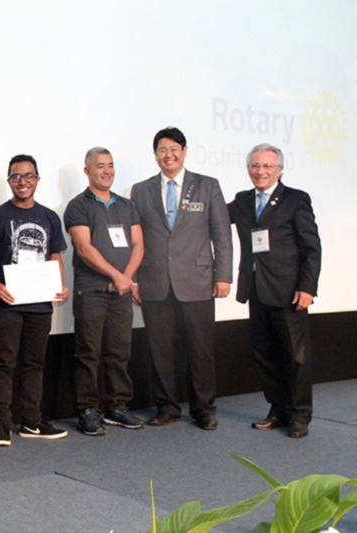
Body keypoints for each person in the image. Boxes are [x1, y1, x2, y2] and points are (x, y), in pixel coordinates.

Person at [130, 127, 232, 430]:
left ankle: (204, 409)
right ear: (155, 155)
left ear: (185, 151)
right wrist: (133, 279)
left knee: (200, 349)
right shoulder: (141, 190)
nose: (169, 155)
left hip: (198, 281)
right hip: (155, 282)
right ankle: (167, 407)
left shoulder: (208, 186)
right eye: (162, 150)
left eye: (174, 149)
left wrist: (223, 276)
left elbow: (222, 234)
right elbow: (135, 239)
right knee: (160, 350)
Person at [228, 144, 321, 439]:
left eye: (267, 166)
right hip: (256, 289)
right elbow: (212, 217)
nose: (261, 171)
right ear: (248, 169)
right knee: (265, 354)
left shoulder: (296, 199)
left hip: (288, 291)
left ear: (280, 169)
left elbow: (311, 248)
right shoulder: (242, 201)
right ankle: (278, 409)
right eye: (255, 166)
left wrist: (307, 287)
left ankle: (299, 415)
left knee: (295, 357)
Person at [0, 154, 70, 446]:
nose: (23, 182)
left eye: (29, 176)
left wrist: (60, 285)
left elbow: (54, 255)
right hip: (7, 303)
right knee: (4, 363)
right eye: (16, 176)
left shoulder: (49, 217)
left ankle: (31, 422)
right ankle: (2, 425)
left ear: (37, 180)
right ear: (9, 181)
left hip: (40, 304)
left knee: (34, 364)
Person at [64, 147, 145, 436]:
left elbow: (139, 245)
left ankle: (117, 407)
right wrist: (116, 276)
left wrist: (126, 279)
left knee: (119, 351)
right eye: (100, 166)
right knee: (88, 353)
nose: (107, 171)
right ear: (87, 171)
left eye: (110, 165)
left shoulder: (126, 205)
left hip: (120, 291)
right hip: (92, 291)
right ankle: (88, 409)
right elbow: (84, 249)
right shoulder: (78, 206)